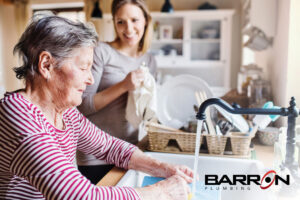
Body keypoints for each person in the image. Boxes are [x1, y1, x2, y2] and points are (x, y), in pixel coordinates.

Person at [0, 13, 193, 200]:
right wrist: (162, 193)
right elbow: (78, 196)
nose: (90, 79)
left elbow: (109, 147)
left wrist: (165, 168)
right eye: (84, 68)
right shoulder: (18, 116)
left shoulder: (65, 112)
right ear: (46, 64)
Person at [77, 0, 157, 184]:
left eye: (135, 20)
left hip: (131, 151)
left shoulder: (150, 60)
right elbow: (81, 106)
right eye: (121, 21)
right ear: (114, 22)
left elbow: (146, 106)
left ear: (146, 21)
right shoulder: (101, 52)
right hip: (95, 155)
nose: (128, 29)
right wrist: (123, 85)